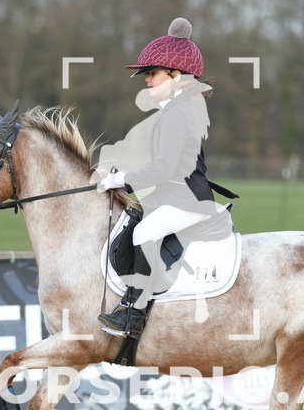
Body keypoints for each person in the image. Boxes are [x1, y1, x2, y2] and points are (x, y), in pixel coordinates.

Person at [95, 17, 226, 338]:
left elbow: (165, 168)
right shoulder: (178, 108)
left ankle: (134, 315)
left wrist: (122, 180)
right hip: (177, 194)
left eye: (152, 74)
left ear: (176, 76)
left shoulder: (179, 111)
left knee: (145, 233)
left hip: (187, 199)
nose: (147, 81)